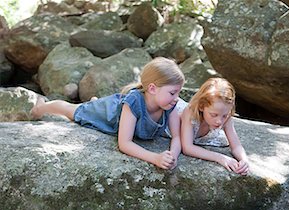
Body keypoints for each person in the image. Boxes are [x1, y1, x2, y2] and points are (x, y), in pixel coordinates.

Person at [31, 57, 185, 170]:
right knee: (73, 111)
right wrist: (155, 158)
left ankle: (94, 102)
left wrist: (173, 156)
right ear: (152, 89)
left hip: (118, 108)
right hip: (109, 113)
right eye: (172, 92)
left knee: (91, 106)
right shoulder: (134, 102)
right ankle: (42, 107)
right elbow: (125, 143)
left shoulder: (169, 105)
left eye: (178, 93)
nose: (176, 98)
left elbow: (177, 136)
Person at [180, 77, 249, 175]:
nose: (219, 121)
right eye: (214, 115)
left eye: (224, 115)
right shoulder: (190, 112)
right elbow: (187, 147)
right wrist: (220, 158)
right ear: (201, 106)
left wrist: (244, 160)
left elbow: (236, 145)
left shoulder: (225, 116)